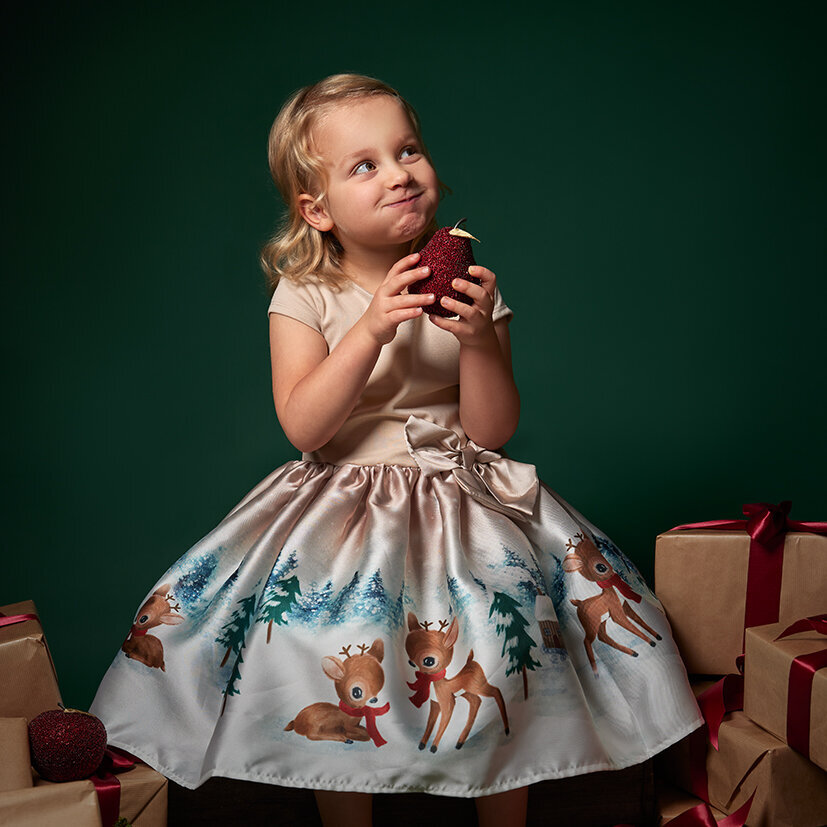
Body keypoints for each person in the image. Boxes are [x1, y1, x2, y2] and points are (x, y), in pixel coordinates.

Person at [90, 74, 702, 827]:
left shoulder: (470, 280)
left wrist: (478, 338)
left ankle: (503, 805)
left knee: (504, 649)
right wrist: (371, 327)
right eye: (364, 164)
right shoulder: (304, 292)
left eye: (406, 150)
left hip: (461, 499)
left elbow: (492, 429)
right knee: (330, 644)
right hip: (342, 508)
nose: (398, 171)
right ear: (316, 210)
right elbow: (305, 427)